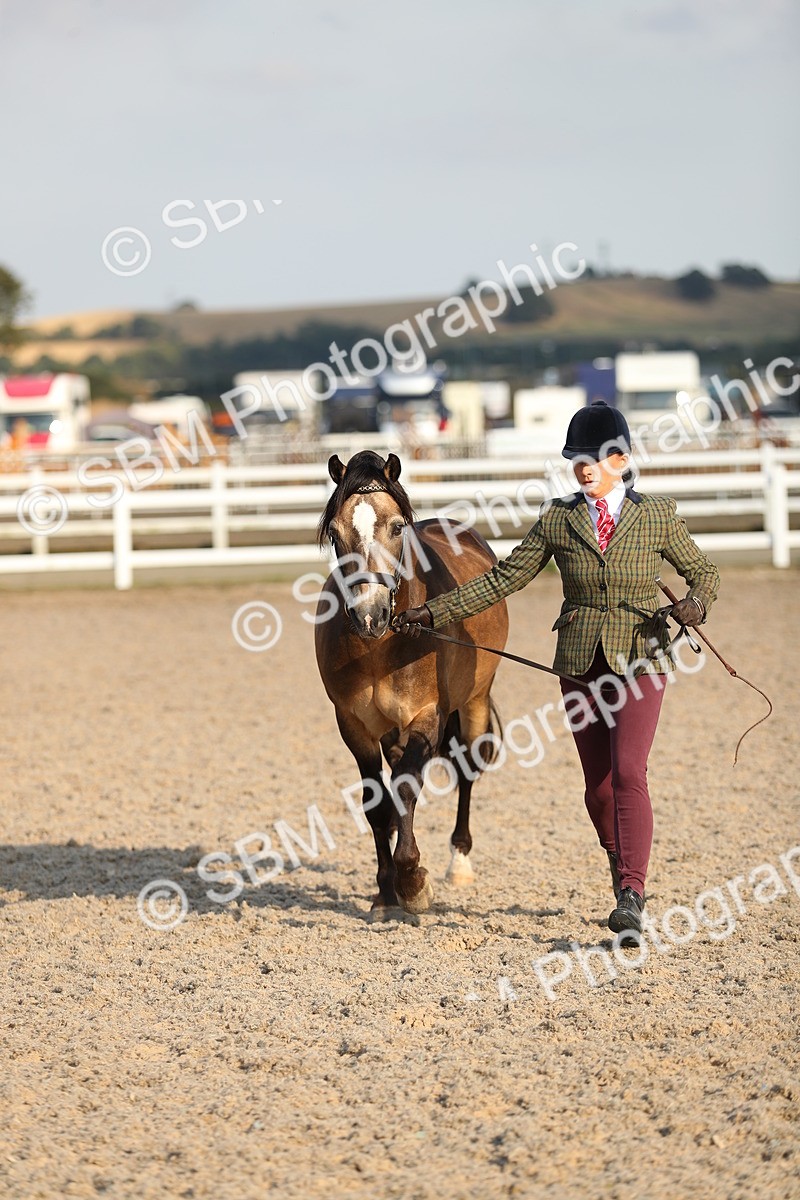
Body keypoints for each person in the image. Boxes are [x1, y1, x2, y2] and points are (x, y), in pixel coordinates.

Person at [392, 400, 720, 937]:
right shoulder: (560, 519)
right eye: (576, 459)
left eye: (593, 457)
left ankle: (632, 892)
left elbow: (704, 572)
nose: (584, 467)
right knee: (597, 788)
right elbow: (503, 580)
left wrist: (695, 604)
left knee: (630, 772)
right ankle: (620, 869)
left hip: (642, 657)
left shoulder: (657, 514)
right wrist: (431, 611)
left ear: (621, 457)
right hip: (578, 663)